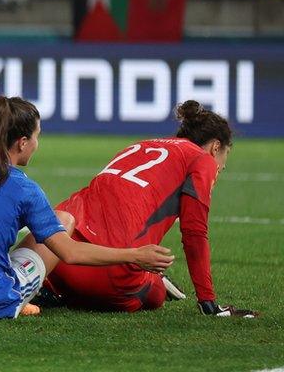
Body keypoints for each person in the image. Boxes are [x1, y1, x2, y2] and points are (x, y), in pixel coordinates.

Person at [0, 96, 175, 320]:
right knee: (64, 220)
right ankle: (17, 299)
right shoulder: (24, 189)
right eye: (36, 136)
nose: (37, 144)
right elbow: (69, 253)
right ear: (22, 142)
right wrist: (134, 255)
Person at [34, 100, 258, 317]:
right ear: (215, 147)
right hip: (110, 276)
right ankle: (156, 281)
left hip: (56, 261)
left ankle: (46, 290)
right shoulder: (202, 159)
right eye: (223, 160)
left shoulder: (141, 145)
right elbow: (194, 233)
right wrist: (208, 302)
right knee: (154, 295)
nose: (220, 168)